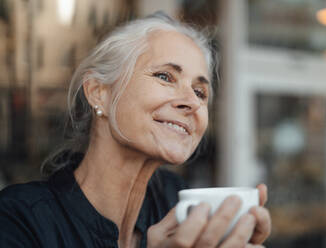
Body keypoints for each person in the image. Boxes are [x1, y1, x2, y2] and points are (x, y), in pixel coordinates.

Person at [0, 13, 271, 248]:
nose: (191, 102)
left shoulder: (175, 199)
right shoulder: (19, 218)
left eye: (200, 92)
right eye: (165, 76)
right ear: (99, 93)